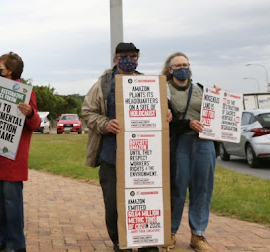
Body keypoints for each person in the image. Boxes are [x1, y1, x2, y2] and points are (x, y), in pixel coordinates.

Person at [81, 42, 160, 252]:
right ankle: (120, 241)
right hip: (111, 155)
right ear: (116, 59)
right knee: (113, 205)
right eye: (124, 55)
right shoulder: (104, 83)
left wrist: (166, 113)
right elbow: (88, 111)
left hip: (142, 158)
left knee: (144, 201)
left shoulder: (148, 82)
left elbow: (162, 110)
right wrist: (105, 124)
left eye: (133, 55)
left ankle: (145, 241)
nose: (129, 59)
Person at [0, 52, 40, 252]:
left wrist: (30, 113)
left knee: (12, 203)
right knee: (0, 203)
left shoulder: (25, 92)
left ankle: (17, 245)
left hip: (13, 156)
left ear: (10, 70)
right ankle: (4, 242)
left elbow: (36, 123)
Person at [162, 52, 214, 252]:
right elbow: (167, 120)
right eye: (179, 65)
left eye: (186, 64)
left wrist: (219, 97)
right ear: (171, 70)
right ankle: (171, 232)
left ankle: (198, 234)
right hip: (180, 142)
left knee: (202, 188)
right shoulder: (164, 91)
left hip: (204, 143)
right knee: (177, 187)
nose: (183, 68)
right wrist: (187, 123)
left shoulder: (201, 89)